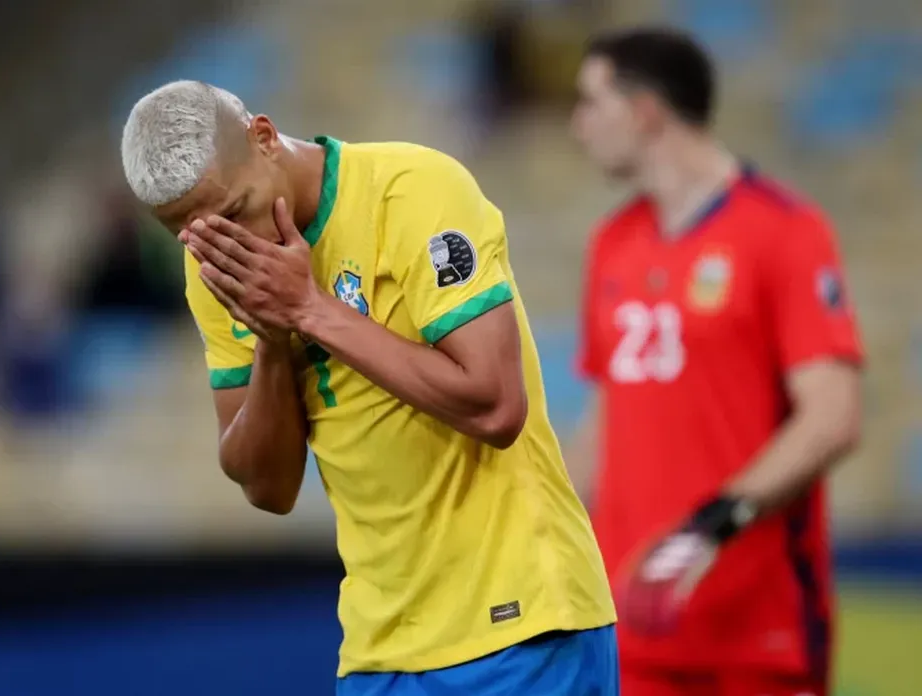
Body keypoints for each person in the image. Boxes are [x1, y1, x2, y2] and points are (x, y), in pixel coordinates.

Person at [120, 81, 618, 696]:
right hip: (380, 649)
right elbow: (268, 487)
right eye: (193, 236)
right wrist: (272, 339)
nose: (231, 245)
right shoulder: (218, 272)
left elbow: (496, 406)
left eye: (236, 211)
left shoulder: (412, 191)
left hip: (521, 625)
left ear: (265, 138)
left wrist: (310, 309)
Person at [568, 28, 864, 696]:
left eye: (590, 102)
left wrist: (707, 529)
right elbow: (604, 421)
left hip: (756, 632)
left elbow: (834, 416)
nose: (576, 125)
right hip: (633, 627)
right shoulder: (611, 244)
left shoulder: (785, 230)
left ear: (645, 111)